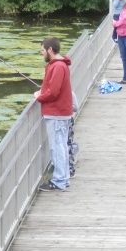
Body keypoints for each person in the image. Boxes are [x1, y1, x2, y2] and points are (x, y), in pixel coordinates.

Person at [33, 37, 73, 192]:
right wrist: (42, 91)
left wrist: (39, 97)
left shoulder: (57, 67)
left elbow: (54, 92)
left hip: (56, 113)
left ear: (50, 50)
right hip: (61, 112)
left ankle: (59, 180)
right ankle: (64, 178)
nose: (42, 53)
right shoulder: (60, 65)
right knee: (61, 145)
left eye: (43, 50)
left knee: (57, 147)